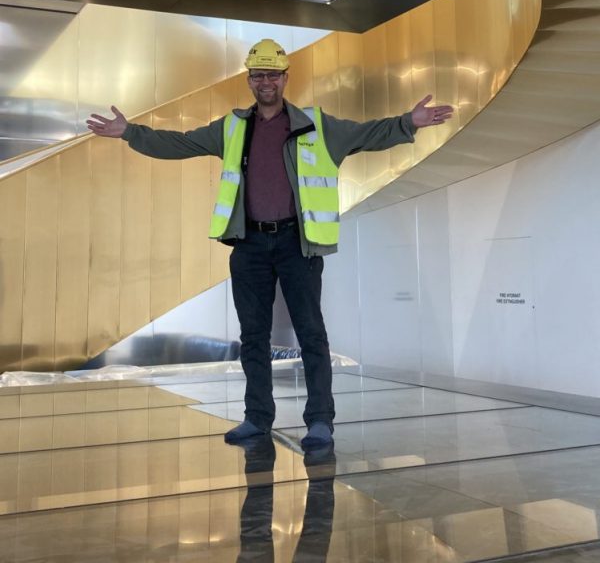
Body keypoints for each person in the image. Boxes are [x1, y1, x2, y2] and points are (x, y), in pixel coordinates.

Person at [87, 38, 453, 448]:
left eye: (272, 75)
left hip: (299, 243)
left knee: (311, 334)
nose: (266, 82)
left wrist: (408, 122)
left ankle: (319, 422)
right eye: (258, 75)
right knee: (253, 337)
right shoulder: (232, 128)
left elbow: (366, 133)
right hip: (250, 245)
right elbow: (180, 143)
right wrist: (130, 133)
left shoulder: (315, 123)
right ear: (249, 79)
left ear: (284, 78)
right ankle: (257, 418)